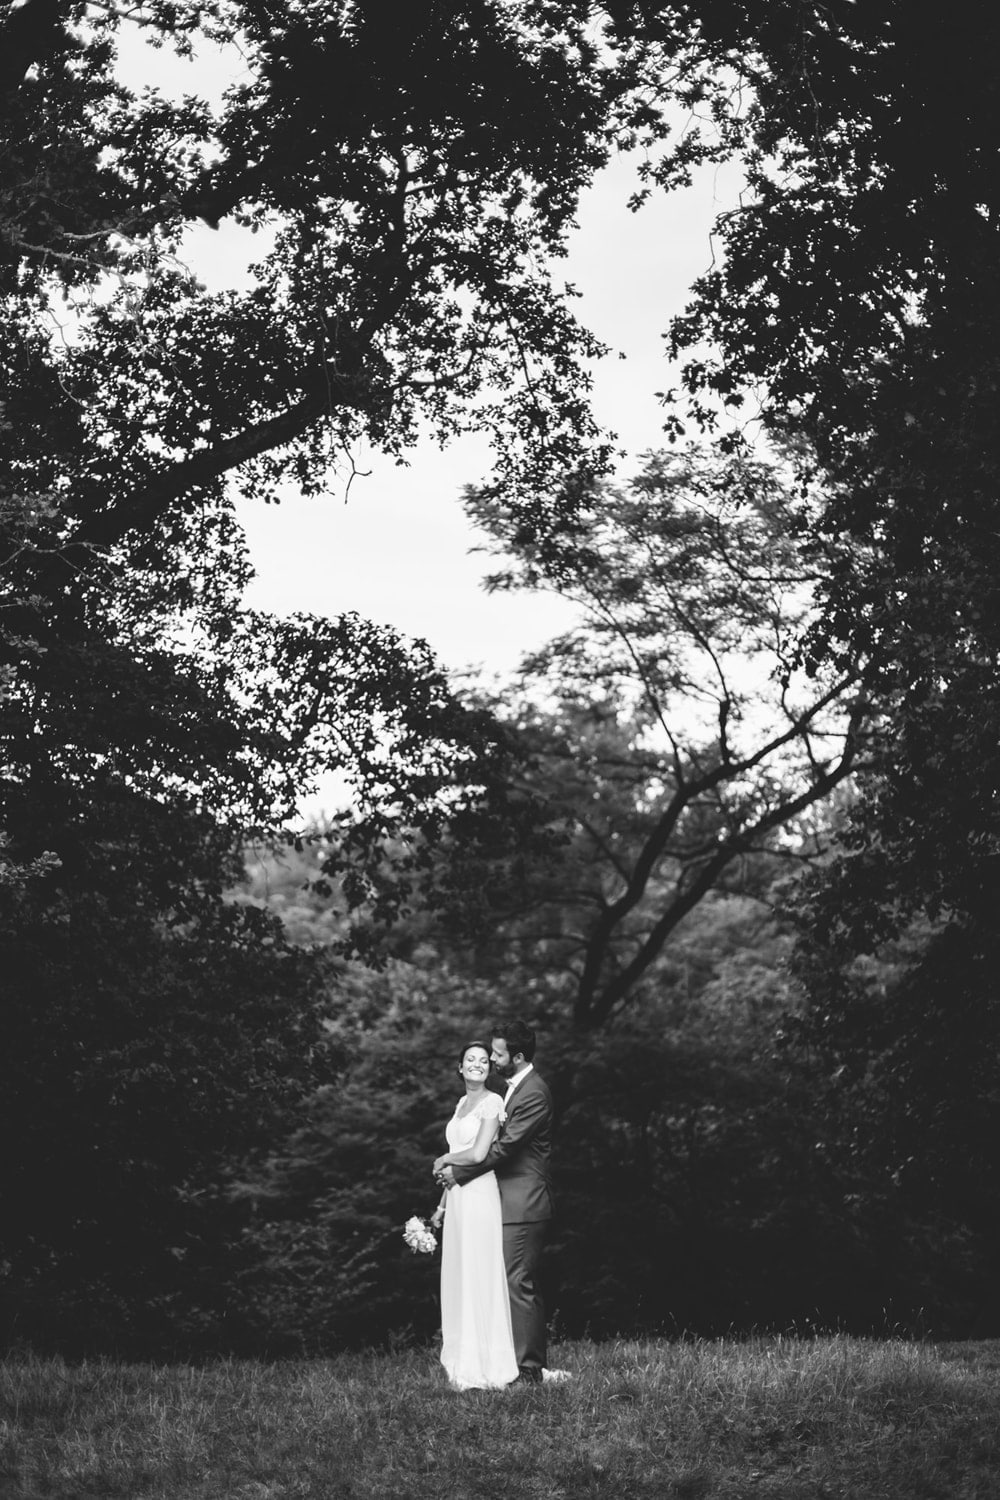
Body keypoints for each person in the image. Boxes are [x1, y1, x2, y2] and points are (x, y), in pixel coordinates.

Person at [435, 1020, 554, 1385]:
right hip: (501, 1199)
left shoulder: (532, 1092)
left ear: (516, 1057)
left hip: (524, 1200)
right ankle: (508, 1360)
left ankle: (530, 1369)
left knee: (518, 1282)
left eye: (497, 1054)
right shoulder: (512, 1089)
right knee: (505, 1281)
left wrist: (457, 1170)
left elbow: (504, 1147)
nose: (491, 1058)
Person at [430, 1041, 518, 1390]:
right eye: (471, 1060)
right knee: (460, 1273)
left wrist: (444, 1159)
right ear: (460, 1067)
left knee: (480, 1272)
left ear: (488, 1069)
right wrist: (441, 1206)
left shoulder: (493, 1103)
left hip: (480, 1195)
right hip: (458, 1199)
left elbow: (480, 1153)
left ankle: (489, 1363)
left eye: (484, 1060)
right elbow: (457, 1156)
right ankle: (464, 1358)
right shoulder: (461, 1104)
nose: (478, 1064)